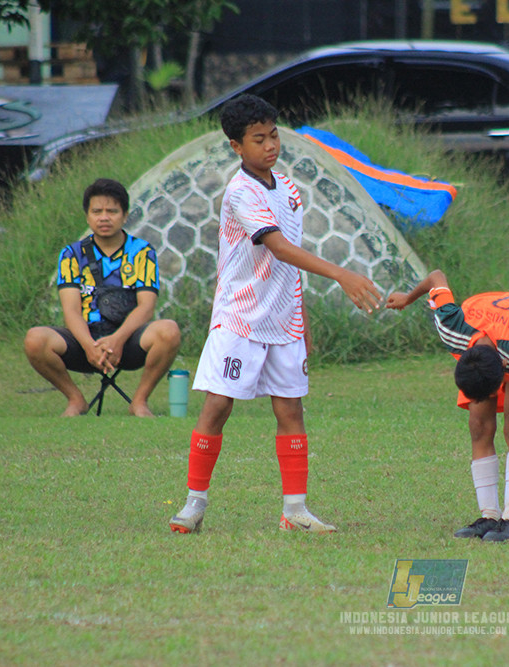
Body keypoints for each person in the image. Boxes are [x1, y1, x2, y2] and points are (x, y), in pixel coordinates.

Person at [168, 95, 381, 535]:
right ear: (236, 146)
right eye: (258, 139)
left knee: (291, 410)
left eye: (274, 135)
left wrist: (300, 318)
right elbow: (279, 247)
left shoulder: (288, 189)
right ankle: (194, 504)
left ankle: (295, 510)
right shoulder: (239, 192)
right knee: (217, 406)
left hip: (284, 320)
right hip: (240, 317)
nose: (270, 146)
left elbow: (287, 263)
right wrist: (342, 274)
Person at [386, 270, 509, 543]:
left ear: (504, 371)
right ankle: (489, 516)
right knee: (478, 425)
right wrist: (408, 298)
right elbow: (437, 277)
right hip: (482, 312)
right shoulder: (451, 330)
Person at [24, 178, 181, 417]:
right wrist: (89, 346)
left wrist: (117, 340)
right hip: (84, 341)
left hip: (128, 341)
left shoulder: (142, 251)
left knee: (168, 331)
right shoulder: (71, 254)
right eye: (97, 211)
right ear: (87, 216)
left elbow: (146, 307)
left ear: (125, 215)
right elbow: (71, 311)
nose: (104, 217)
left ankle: (139, 401)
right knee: (35, 339)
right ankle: (76, 400)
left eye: (112, 211)